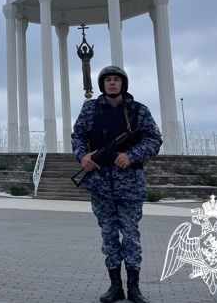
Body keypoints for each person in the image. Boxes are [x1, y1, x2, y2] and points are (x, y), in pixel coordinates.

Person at [71, 66, 162, 303]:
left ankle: (134, 287)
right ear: (102, 85)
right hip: (100, 184)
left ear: (123, 84)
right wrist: (83, 156)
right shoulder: (90, 109)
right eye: (108, 80)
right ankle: (115, 287)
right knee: (109, 236)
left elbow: (154, 140)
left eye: (116, 80)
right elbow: (78, 135)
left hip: (129, 185)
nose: (112, 83)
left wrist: (131, 155)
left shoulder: (138, 110)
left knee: (131, 236)